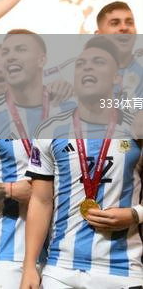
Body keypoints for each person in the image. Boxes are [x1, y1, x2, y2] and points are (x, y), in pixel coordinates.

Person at [21, 36, 143, 289]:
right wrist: (30, 266)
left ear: (116, 78)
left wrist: (135, 214)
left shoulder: (136, 127)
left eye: (98, 62)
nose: (87, 67)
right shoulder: (50, 128)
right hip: (60, 270)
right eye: (81, 64)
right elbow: (41, 200)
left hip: (122, 270)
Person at [0, 31, 76, 288]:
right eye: (6, 52)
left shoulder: (71, 109)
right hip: (12, 252)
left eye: (20, 49)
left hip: (70, 251)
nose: (10, 56)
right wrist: (10, 189)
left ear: (42, 59)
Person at [93, 1, 142, 104]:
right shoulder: (83, 74)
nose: (124, 28)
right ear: (99, 36)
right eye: (115, 23)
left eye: (129, 23)